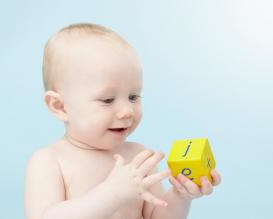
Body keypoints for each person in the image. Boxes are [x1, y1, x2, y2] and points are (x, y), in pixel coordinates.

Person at [24, 23, 221, 219]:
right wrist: (112, 194)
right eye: (107, 100)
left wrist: (180, 196)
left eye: (133, 97)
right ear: (60, 107)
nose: (127, 111)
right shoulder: (50, 161)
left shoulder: (138, 157)